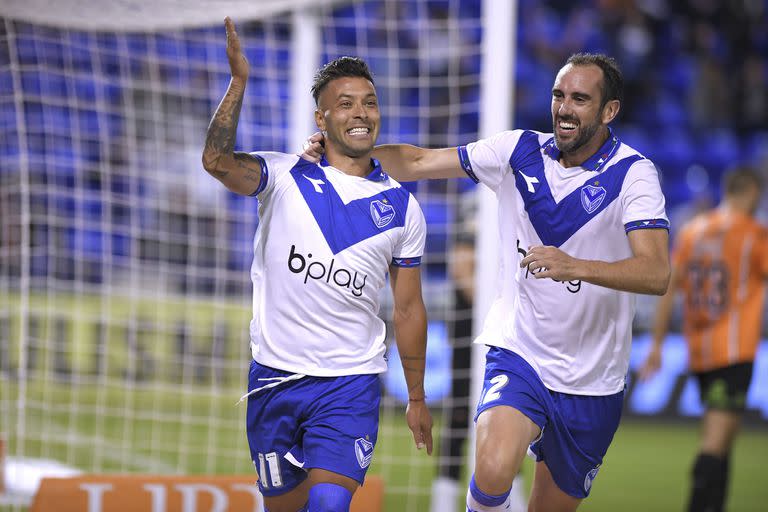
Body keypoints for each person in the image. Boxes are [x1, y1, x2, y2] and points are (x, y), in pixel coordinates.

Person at [303, 53, 671, 511]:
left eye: (580, 99)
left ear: (608, 111)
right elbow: (417, 161)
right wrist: (340, 153)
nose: (564, 108)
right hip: (521, 352)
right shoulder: (518, 151)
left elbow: (657, 273)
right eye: (559, 95)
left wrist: (575, 265)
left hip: (593, 379)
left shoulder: (634, 174)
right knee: (494, 467)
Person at [202, 18, 433, 512]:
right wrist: (238, 83)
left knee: (330, 503)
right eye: (345, 104)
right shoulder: (283, 176)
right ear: (320, 119)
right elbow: (217, 161)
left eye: (369, 102)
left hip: (350, 384)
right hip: (275, 379)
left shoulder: (402, 209)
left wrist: (416, 397)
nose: (361, 113)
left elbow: (410, 310)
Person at [639, 167, 767, 512]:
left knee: (723, 440)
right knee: (715, 444)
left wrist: (656, 345)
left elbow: (668, 288)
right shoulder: (754, 234)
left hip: (699, 351)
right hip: (734, 349)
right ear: (752, 192)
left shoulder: (693, 230)